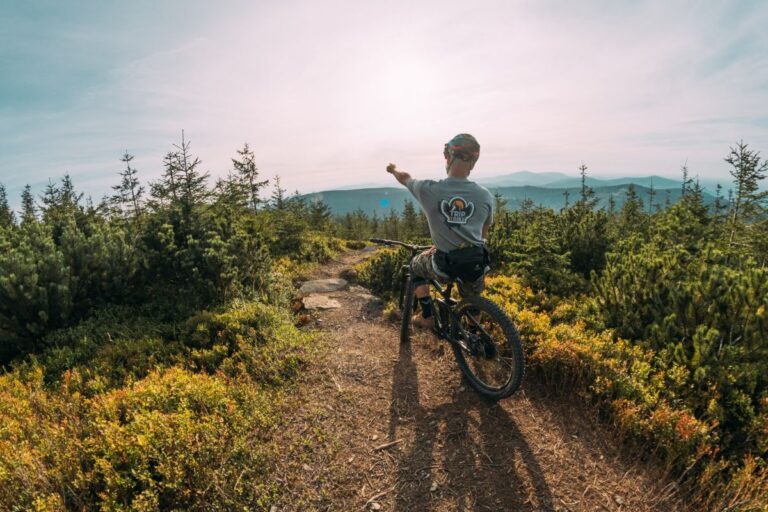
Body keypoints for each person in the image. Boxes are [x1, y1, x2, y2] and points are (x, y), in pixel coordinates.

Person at [386, 133, 494, 330]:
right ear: (473, 162)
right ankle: (475, 336)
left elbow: (405, 178)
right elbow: (482, 235)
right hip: (475, 262)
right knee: (472, 297)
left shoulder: (429, 190)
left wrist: (393, 170)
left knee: (415, 266)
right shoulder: (485, 195)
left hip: (445, 264)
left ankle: (427, 316)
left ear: (450, 157)